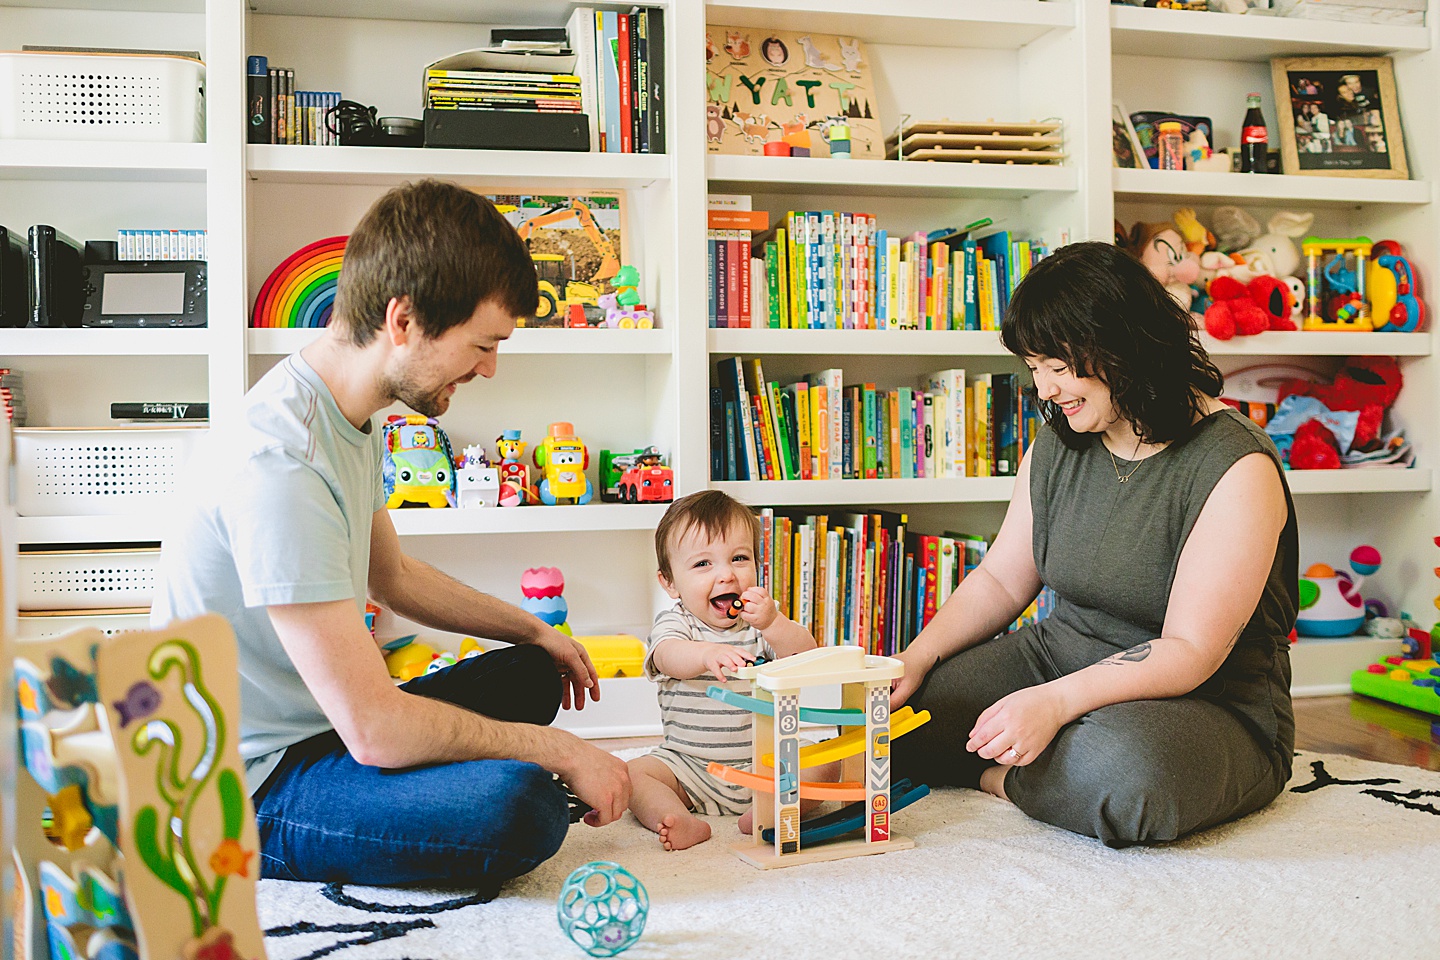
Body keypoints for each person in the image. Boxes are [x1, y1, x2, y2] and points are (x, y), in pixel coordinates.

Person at [152, 179, 630, 891]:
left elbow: (394, 578)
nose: (489, 368)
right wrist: (557, 752)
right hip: (245, 790)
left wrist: (537, 631)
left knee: (533, 669)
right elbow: (375, 727)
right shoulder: (278, 462)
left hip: (329, 730)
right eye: (482, 344)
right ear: (402, 321)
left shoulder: (352, 417)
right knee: (523, 806)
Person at [890, 241, 1297, 848]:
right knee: (899, 721)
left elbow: (1190, 650)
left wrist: (1055, 704)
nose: (1044, 389)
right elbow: (1001, 579)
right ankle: (1041, 766)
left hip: (1209, 704)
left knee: (1125, 777)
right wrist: (916, 658)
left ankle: (1003, 781)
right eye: (1033, 369)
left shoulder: (1236, 468)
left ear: (1120, 348)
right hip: (1058, 656)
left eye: (1057, 366)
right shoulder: (1059, 442)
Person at [627, 490, 834, 850]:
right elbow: (666, 656)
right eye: (703, 564)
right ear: (670, 582)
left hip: (766, 763)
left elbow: (806, 657)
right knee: (634, 773)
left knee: (829, 762)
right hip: (689, 767)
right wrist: (706, 654)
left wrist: (775, 624)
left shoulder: (762, 622)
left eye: (739, 558)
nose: (726, 575)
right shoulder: (677, 625)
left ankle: (769, 811)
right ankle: (678, 818)